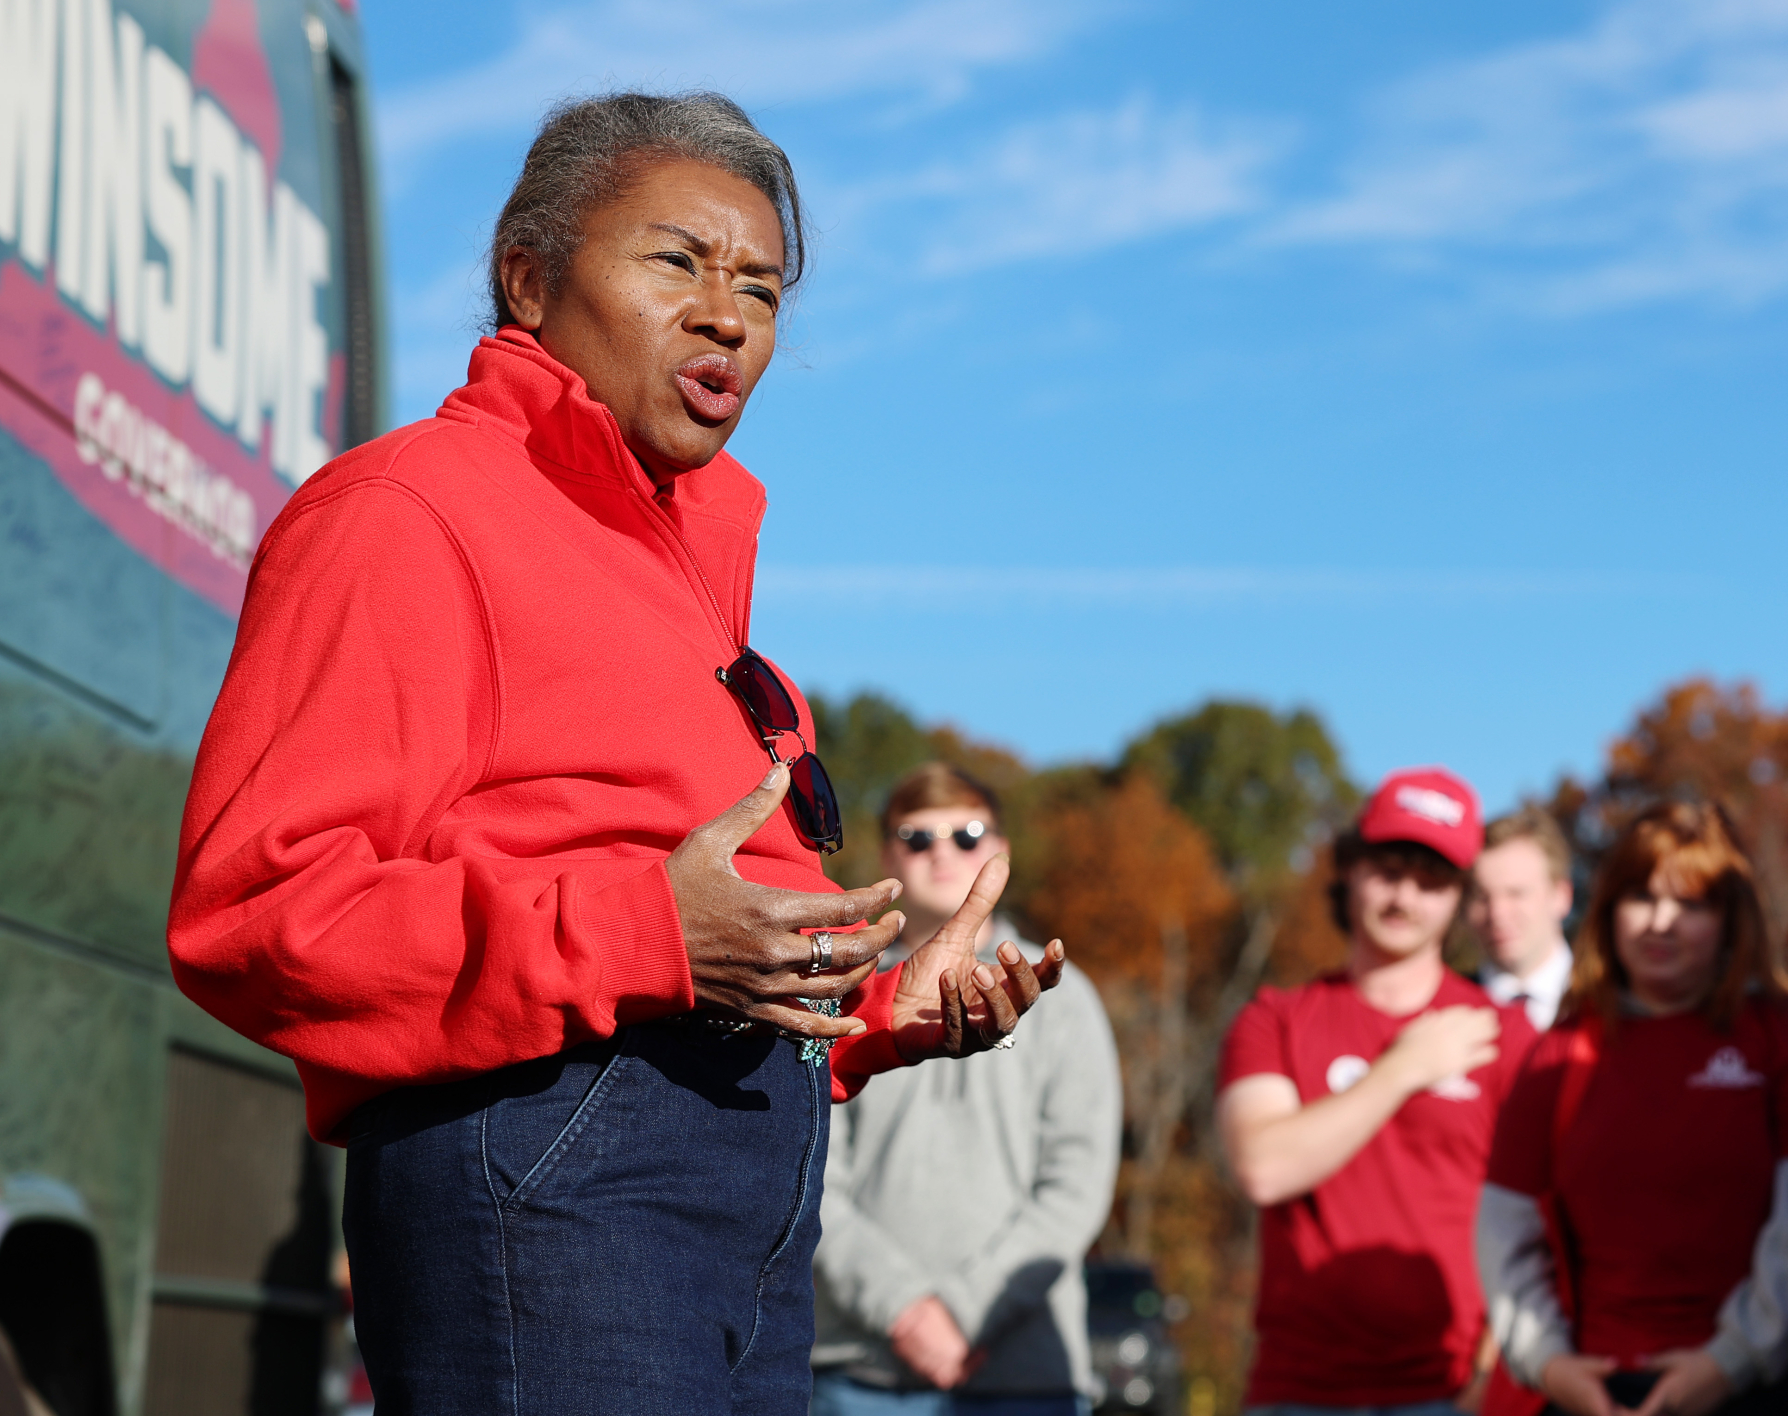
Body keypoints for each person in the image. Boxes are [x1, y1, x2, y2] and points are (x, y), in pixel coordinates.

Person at [165, 93, 1064, 1415]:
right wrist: (642, 932)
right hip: (551, 1172)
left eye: (761, 285)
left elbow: (701, 927)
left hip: (755, 1195)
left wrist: (870, 1020)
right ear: (527, 278)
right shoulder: (404, 514)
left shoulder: (712, 601)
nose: (729, 315)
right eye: (678, 262)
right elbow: (254, 909)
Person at [1479, 801, 1788, 1416]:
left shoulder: (1782, 1033)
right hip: (1603, 1391)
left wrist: (1732, 1359)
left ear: (1730, 920)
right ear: (1609, 908)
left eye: (1692, 904)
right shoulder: (1561, 1050)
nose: (1661, 923)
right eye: (1641, 897)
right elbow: (1505, 1230)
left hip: (1767, 1388)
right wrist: (1548, 1364)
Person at [1217, 767, 1537, 1416]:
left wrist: (1495, 1373)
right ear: (1351, 869)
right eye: (1388, 868)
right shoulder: (1276, 1017)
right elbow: (1264, 1166)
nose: (1405, 895)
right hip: (1298, 1388)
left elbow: (1542, 1222)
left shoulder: (1505, 1032)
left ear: (1459, 896)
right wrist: (1400, 1071)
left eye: (1432, 878)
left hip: (1451, 1390)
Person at [812, 764, 1122, 1416]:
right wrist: (901, 1309)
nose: (943, 851)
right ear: (888, 854)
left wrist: (963, 1310)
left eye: (968, 832)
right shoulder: (833, 997)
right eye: (917, 836)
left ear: (1001, 851)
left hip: (1027, 1377)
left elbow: (1076, 1183)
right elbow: (812, 1178)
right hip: (859, 1375)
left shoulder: (1062, 993)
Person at [1470, 806, 1579, 1031]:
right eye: (1481, 897)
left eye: (1516, 893)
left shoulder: (1615, 1006)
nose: (1497, 913)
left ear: (1562, 896)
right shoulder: (1440, 1012)